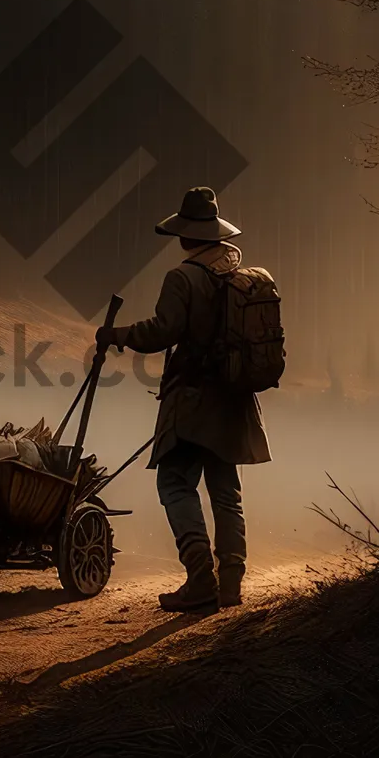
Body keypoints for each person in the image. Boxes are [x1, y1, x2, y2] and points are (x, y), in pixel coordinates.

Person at [97, 186, 271, 612]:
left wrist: (117, 336)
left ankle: (199, 581)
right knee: (226, 492)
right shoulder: (236, 273)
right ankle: (229, 586)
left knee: (174, 482)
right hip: (233, 397)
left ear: (186, 235)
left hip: (193, 400)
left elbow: (164, 331)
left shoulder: (182, 277)